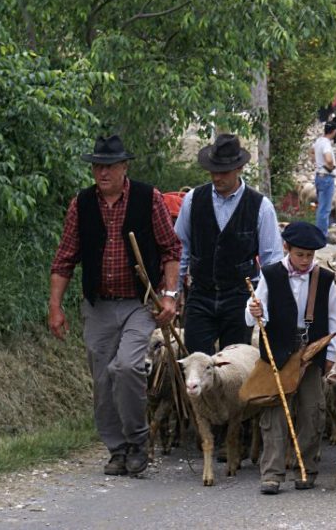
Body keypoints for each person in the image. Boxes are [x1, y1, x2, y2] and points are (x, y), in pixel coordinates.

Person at [49, 135, 182, 477]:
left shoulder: (147, 198)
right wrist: (56, 307)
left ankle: (138, 442)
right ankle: (117, 449)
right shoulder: (81, 204)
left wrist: (169, 296)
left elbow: (170, 249)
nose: (102, 172)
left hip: (139, 303)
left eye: (109, 166)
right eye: (97, 166)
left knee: (126, 368)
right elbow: (65, 258)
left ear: (124, 167)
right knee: (102, 379)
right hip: (99, 304)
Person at [246, 221, 336, 495]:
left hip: (311, 353)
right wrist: (255, 310)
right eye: (300, 254)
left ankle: (306, 469)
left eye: (310, 256)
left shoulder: (324, 279)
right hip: (277, 352)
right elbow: (257, 308)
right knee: (275, 413)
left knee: (312, 410)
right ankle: (272, 474)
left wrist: (333, 353)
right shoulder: (270, 274)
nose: (305, 261)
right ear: (287, 248)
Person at [174, 134, 282, 355]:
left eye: (223, 172)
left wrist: (263, 301)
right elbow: (180, 248)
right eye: (214, 171)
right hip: (200, 294)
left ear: (239, 169)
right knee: (194, 363)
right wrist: (174, 291)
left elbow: (272, 262)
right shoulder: (193, 200)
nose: (217, 177)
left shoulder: (260, 207)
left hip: (239, 297)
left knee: (233, 363)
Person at [312, 124, 336, 238]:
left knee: (321, 206)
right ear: (334, 131)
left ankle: (319, 232)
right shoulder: (326, 143)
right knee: (325, 208)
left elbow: (311, 151)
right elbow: (328, 159)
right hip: (327, 177)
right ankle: (322, 235)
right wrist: (330, 167)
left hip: (319, 176)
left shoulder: (318, 141)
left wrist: (317, 163)